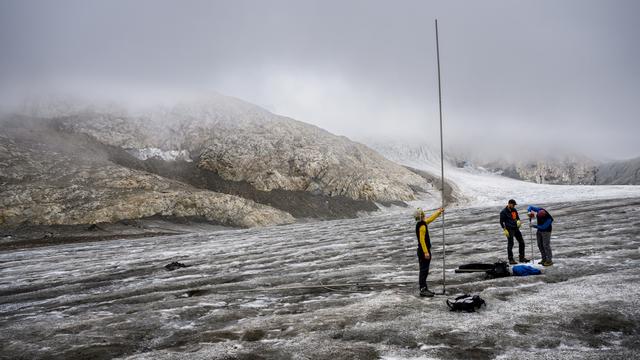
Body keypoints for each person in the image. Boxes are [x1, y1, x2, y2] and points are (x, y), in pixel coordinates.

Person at [414, 207, 444, 297]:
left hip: (422, 251)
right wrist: (426, 252)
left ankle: (424, 288)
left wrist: (438, 212)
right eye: (423, 214)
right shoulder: (422, 226)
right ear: (421, 216)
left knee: (424, 270)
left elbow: (430, 219)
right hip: (423, 252)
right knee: (424, 271)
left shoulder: (421, 223)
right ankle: (423, 289)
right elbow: (422, 240)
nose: (424, 215)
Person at [499, 199, 530, 264]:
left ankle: (522, 258)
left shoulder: (514, 210)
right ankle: (511, 259)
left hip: (516, 228)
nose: (514, 206)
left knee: (522, 242)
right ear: (509, 204)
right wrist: (504, 230)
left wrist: (518, 221)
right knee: (511, 244)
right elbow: (501, 222)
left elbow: (517, 218)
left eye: (514, 205)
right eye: (513, 205)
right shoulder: (503, 212)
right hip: (509, 229)